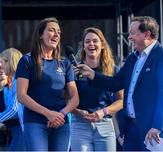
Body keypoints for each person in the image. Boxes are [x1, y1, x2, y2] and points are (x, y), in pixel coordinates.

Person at [77, 16, 163, 151]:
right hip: (132, 130)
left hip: (154, 133)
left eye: (132, 33)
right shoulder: (133, 58)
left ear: (147, 34)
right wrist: (92, 74)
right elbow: (115, 83)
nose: (129, 37)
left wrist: (157, 126)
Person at [15, 17, 79, 151]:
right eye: (51, 30)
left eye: (59, 32)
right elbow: (21, 95)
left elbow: (75, 98)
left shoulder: (65, 63)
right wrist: (48, 114)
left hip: (61, 123)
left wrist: (61, 114)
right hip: (35, 122)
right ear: (40, 35)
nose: (56, 34)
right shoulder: (27, 61)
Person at [70, 27, 124, 151]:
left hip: (105, 123)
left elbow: (121, 101)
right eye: (87, 41)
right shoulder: (74, 70)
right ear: (83, 46)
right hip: (80, 124)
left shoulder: (113, 70)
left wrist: (103, 112)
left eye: (95, 41)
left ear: (102, 45)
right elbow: (66, 98)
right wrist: (77, 112)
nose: (91, 44)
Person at [0, 48, 26, 151]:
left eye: (2, 62)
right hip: (16, 130)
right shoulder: (12, 83)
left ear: (10, 62)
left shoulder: (18, 80)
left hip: (21, 129)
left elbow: (14, 109)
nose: (0, 66)